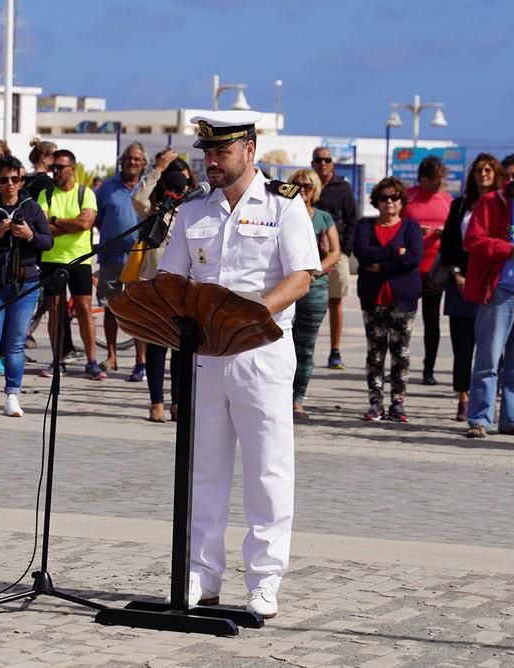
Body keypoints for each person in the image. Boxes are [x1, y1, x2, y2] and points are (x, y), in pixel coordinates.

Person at [158, 111, 319, 619]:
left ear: (249, 151)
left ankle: (264, 580)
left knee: (268, 469)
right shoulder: (191, 212)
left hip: (261, 351)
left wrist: (250, 311)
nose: (211, 162)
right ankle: (200, 576)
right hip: (205, 355)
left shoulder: (283, 206)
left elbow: (302, 276)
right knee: (203, 469)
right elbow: (171, 278)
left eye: (221, 153)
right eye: (206, 152)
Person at [0, 155, 53, 418]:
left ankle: (12, 395)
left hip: (25, 284)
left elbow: (47, 242)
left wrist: (30, 235)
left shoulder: (32, 208)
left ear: (22, 180)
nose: (10, 184)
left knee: (16, 343)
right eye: (4, 180)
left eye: (15, 179)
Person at [462, 159, 514, 439]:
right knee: (488, 359)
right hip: (499, 290)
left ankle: (513, 419)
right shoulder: (493, 202)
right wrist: (509, 250)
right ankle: (479, 419)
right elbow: (473, 240)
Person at [353, 178, 423, 422]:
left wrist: (380, 264)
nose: (389, 202)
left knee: (400, 353)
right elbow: (361, 252)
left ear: (402, 201)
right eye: (384, 198)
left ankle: (398, 403)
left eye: (394, 198)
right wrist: (395, 252)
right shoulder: (365, 225)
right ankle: (375, 403)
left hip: (403, 300)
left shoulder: (411, 227)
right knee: (375, 353)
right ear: (376, 202)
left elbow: (414, 258)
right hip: (374, 299)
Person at [440, 154, 502, 422]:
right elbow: (448, 245)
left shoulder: (504, 206)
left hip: (494, 283)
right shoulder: (460, 205)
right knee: (462, 345)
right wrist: (456, 273)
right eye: (479, 170)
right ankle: (463, 397)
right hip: (462, 282)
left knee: (491, 347)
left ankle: (486, 401)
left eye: (488, 169)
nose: (484, 173)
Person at [132, 149, 193, 422]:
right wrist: (158, 168)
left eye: (183, 181)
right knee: (157, 346)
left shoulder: (195, 210)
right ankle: (156, 402)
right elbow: (138, 197)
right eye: (173, 181)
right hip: (155, 285)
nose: (179, 188)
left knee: (182, 349)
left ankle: (178, 401)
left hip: (186, 288)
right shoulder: (154, 209)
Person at [36, 149, 104, 379]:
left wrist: (55, 221)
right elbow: (42, 227)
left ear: (71, 169)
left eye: (59, 167)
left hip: (80, 258)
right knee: (55, 311)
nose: (54, 171)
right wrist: (68, 224)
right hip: (52, 259)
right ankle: (58, 360)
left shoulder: (86, 193)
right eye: (52, 167)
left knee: (84, 310)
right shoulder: (45, 194)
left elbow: (85, 223)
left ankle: (91, 360)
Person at [289, 168, 340, 419]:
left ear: (315, 189)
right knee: (280, 342)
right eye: (297, 185)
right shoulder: (284, 213)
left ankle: (297, 398)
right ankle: (278, 395)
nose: (302, 190)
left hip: (315, 288)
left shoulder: (322, 217)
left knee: (305, 346)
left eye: (307, 186)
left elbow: (334, 252)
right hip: (285, 287)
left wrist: (315, 272)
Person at [95, 142, 147, 380]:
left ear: (143, 163)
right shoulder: (107, 188)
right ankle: (112, 355)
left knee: (139, 310)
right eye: (129, 159)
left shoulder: (149, 187)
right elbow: (99, 218)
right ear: (122, 161)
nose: (133, 163)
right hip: (111, 256)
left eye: (137, 159)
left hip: (139, 258)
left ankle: (140, 362)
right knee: (111, 306)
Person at [401, 155, 452, 386]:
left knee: (432, 321)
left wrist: (445, 234)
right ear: (423, 178)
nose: (439, 184)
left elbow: (456, 232)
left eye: (441, 179)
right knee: (403, 319)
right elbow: (394, 226)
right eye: (434, 180)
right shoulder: (407, 197)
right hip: (410, 267)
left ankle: (428, 369)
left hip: (435, 268)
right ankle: (400, 365)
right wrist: (412, 233)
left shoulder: (446, 200)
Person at [311, 146, 357, 371]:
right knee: (306, 303)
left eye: (327, 160)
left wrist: (345, 250)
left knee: (335, 301)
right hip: (309, 253)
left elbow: (352, 220)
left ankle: (335, 350)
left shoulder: (343, 188)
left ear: (332, 163)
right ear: (313, 163)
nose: (323, 163)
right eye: (319, 160)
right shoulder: (307, 186)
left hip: (335, 254)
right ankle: (306, 350)